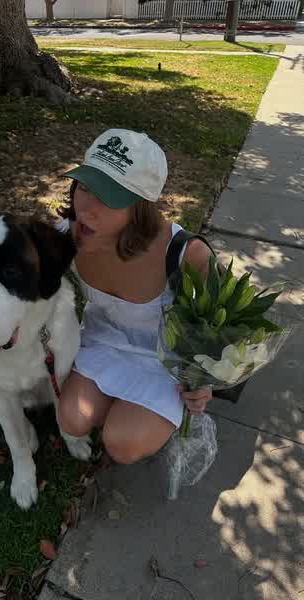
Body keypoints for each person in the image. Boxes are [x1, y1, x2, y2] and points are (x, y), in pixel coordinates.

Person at [56, 129, 212, 465]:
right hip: (103, 343)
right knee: (71, 420)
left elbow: (222, 323)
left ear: (141, 207)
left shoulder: (185, 253)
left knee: (122, 445)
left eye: (108, 197)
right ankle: (124, 409)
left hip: (164, 360)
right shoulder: (66, 236)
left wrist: (205, 381)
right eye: (85, 187)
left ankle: (143, 415)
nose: (86, 209)